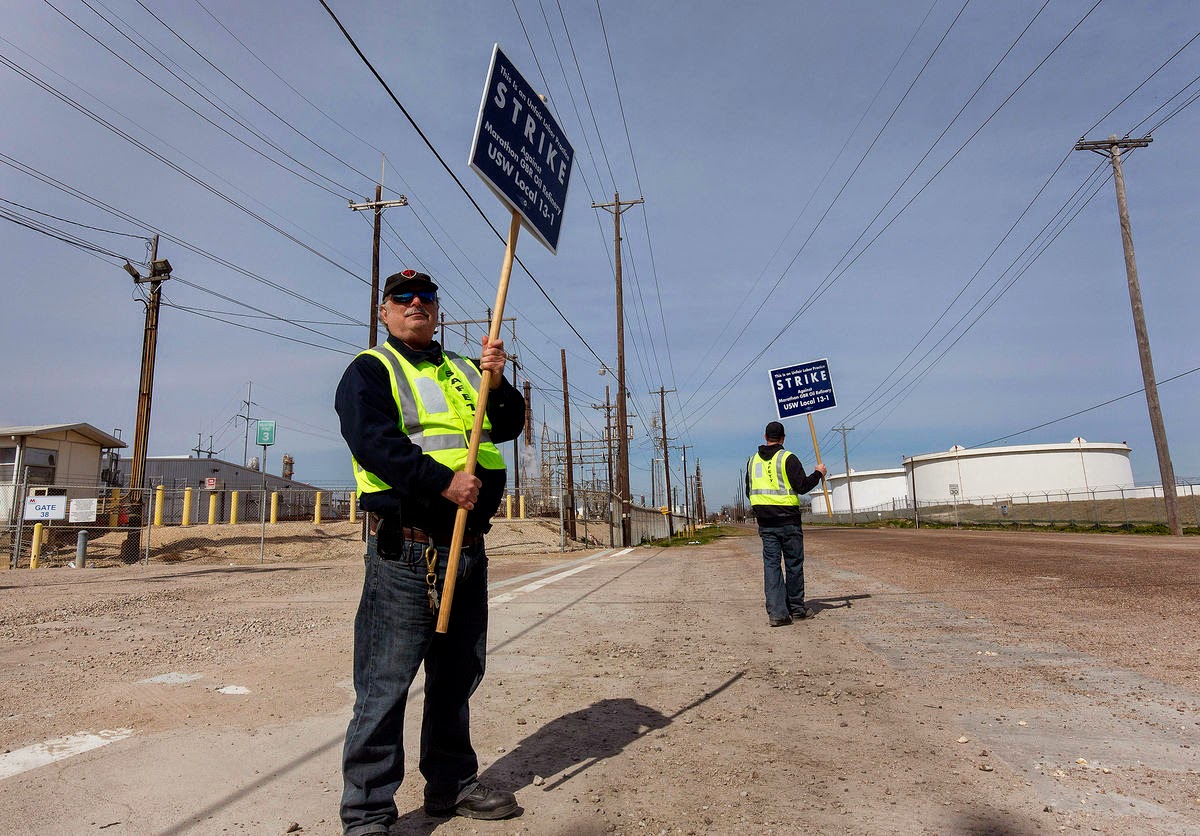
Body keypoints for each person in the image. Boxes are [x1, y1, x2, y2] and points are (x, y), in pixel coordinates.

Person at [334, 269, 526, 834]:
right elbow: (373, 443)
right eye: (403, 297)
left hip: (467, 548)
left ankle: (451, 784)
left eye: (426, 297)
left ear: (437, 310)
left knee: (457, 676)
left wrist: (499, 380)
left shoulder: (466, 368)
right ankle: (367, 814)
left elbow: (507, 424)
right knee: (385, 683)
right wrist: (443, 483)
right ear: (384, 311)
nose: (415, 303)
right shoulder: (370, 370)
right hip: (407, 550)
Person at [745, 420, 827, 627]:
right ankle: (797, 609)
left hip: (766, 523)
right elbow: (802, 486)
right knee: (793, 565)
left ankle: (778, 613)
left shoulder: (752, 461)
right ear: (783, 438)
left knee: (771, 566)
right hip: (789, 521)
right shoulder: (788, 458)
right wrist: (818, 473)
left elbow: (749, 491)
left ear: (765, 437)